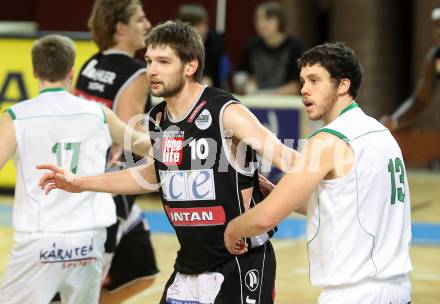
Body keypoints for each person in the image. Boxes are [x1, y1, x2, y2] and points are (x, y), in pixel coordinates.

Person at [38, 21, 298, 304]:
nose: (152, 70)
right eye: (149, 61)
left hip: (239, 263)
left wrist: (274, 210)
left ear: (190, 66)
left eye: (163, 61)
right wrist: (81, 183)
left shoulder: (225, 112)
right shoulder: (159, 119)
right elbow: (153, 174)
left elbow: (291, 160)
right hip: (189, 264)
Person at [224, 42, 413, 304]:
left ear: (343, 85)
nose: (304, 90)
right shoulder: (380, 133)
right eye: (302, 81)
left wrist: (233, 229)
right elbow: (349, 203)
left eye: (315, 80)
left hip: (354, 293)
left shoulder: (328, 140)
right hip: (397, 290)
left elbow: (266, 217)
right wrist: (281, 193)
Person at [0, 34, 150, 304]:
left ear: (34, 71)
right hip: (89, 241)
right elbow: (146, 146)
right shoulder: (100, 114)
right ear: (72, 71)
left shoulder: (15, 116)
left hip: (40, 239)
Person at [73, 0, 159, 302]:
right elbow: (130, 141)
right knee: (83, 285)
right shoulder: (136, 74)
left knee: (142, 270)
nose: (147, 25)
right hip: (112, 189)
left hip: (85, 176)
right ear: (121, 28)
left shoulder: (90, 64)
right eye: (140, 19)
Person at [381, 6, 440, 167]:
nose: (438, 31)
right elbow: (421, 99)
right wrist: (395, 120)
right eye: (436, 25)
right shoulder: (435, 58)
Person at [235, 1, 303, 95]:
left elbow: (297, 85)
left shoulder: (294, 46)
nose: (261, 24)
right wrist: (246, 84)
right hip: (256, 101)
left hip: (286, 103)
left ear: (280, 20)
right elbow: (245, 75)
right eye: (258, 19)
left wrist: (267, 94)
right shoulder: (252, 45)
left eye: (268, 18)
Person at [176, 3, 225, 88]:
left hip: (210, 89)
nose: (204, 29)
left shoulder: (214, 41)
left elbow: (208, 76)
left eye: (205, 24)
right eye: (198, 25)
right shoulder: (174, 42)